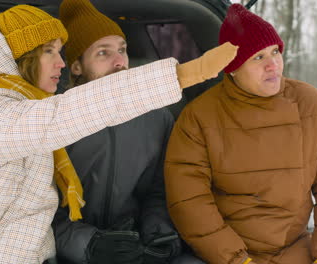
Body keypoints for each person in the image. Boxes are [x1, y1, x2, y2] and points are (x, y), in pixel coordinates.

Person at [0, 3, 238, 264]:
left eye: (62, 51)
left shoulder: (29, 110)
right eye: (50, 52)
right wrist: (185, 73)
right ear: (20, 59)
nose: (61, 62)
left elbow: (159, 188)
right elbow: (64, 115)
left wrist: (158, 232)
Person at [164, 4, 317, 264]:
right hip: (222, 255)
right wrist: (236, 260)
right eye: (258, 57)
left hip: (297, 250)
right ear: (231, 68)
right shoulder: (198, 118)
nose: (272, 65)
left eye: (275, 52)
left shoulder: (314, 107)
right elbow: (189, 202)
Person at [52, 1, 206, 264]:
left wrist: (159, 232)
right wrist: (90, 245)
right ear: (76, 65)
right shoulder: (51, 120)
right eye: (103, 53)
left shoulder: (156, 117)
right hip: (75, 252)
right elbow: (37, 212)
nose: (120, 61)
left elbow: (160, 189)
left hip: (135, 246)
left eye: (122, 50)